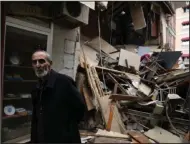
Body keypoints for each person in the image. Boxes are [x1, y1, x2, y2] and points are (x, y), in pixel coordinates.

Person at [30, 50, 85, 143]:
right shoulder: (36, 87)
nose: (38, 65)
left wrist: (67, 127)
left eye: (41, 61)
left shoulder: (64, 82)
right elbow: (36, 115)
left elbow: (80, 107)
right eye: (34, 62)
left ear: (50, 64)